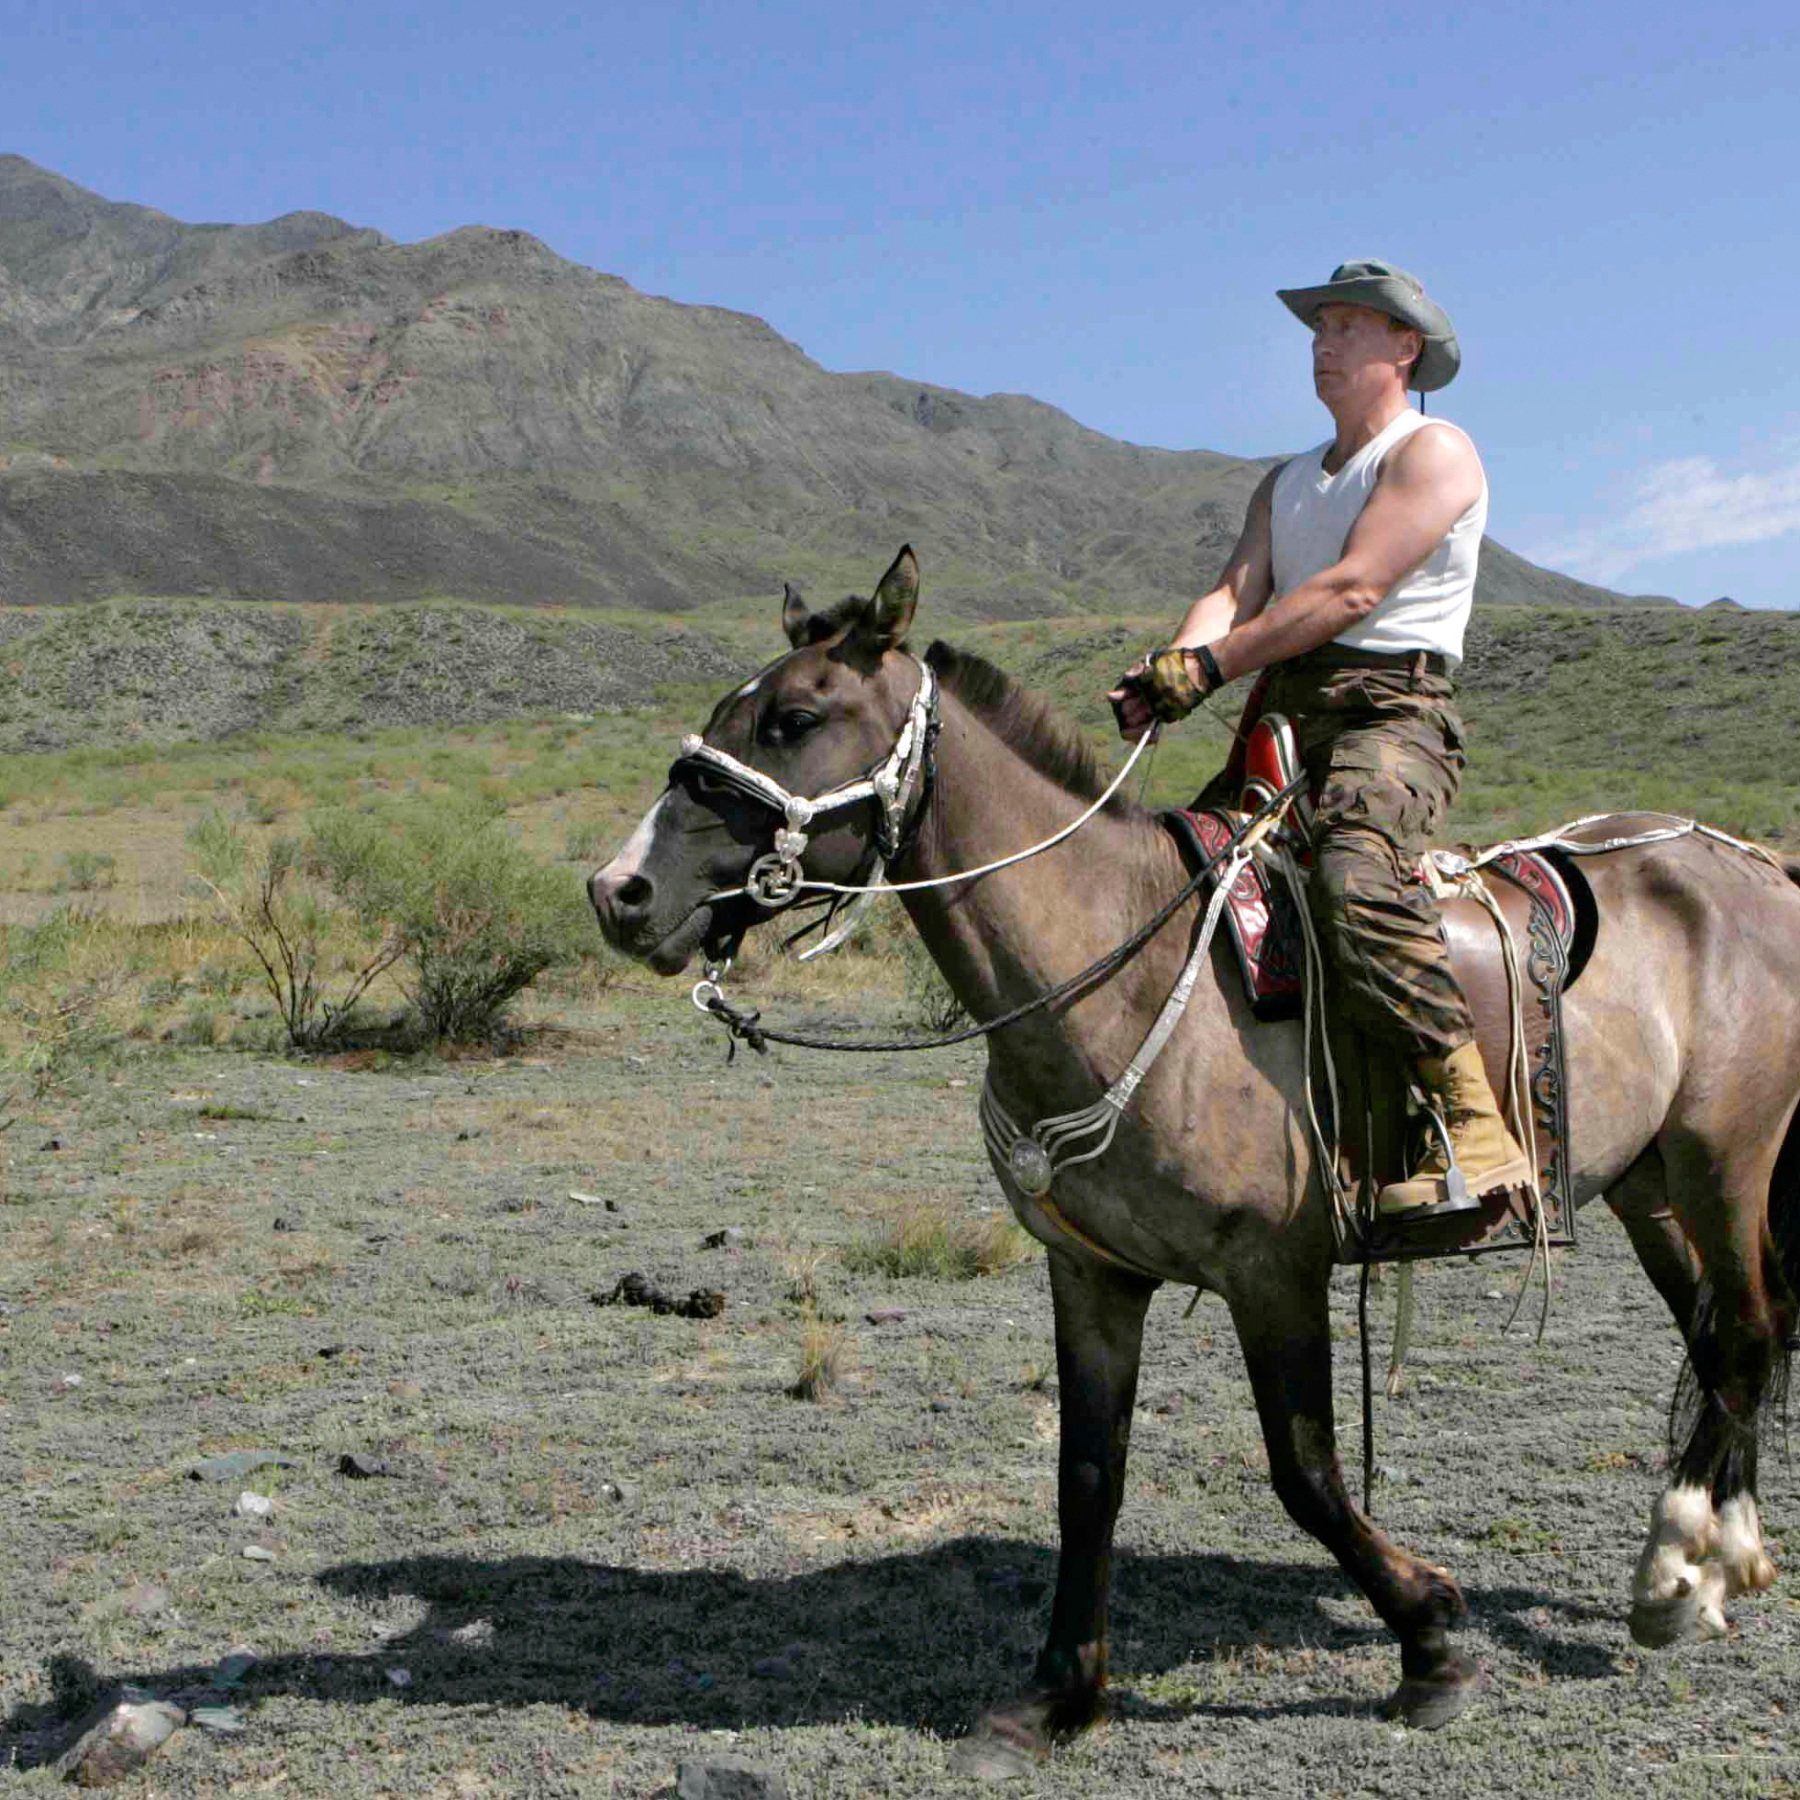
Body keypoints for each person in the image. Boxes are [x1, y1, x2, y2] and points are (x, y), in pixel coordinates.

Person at [1110, 258, 1531, 1224]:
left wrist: (1212, 671)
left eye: (1348, 326)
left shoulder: (1436, 452)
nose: (1323, 343)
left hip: (1394, 715)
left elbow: (1352, 592)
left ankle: (1476, 1127)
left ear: (1405, 347)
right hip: (1285, 716)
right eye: (1318, 327)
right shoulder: (1288, 481)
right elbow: (1233, 591)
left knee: (1354, 875)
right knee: (1173, 877)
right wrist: (1172, 664)